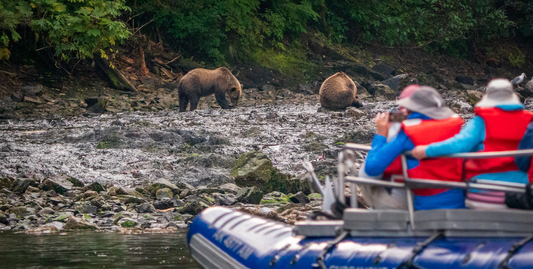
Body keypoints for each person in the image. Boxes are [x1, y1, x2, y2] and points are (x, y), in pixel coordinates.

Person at [412, 78, 533, 210]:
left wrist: (427, 150)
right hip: (522, 193)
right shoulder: (529, 121)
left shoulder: (482, 121)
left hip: (483, 193)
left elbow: (460, 144)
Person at [360, 86, 466, 210]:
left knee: (366, 175)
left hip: (425, 206)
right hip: (459, 202)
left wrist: (381, 135)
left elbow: (372, 168)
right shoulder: (456, 129)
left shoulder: (409, 133)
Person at [359, 85, 419, 210]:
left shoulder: (404, 134)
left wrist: (382, 134)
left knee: (365, 176)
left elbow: (371, 171)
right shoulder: (446, 128)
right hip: (440, 194)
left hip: (407, 199)